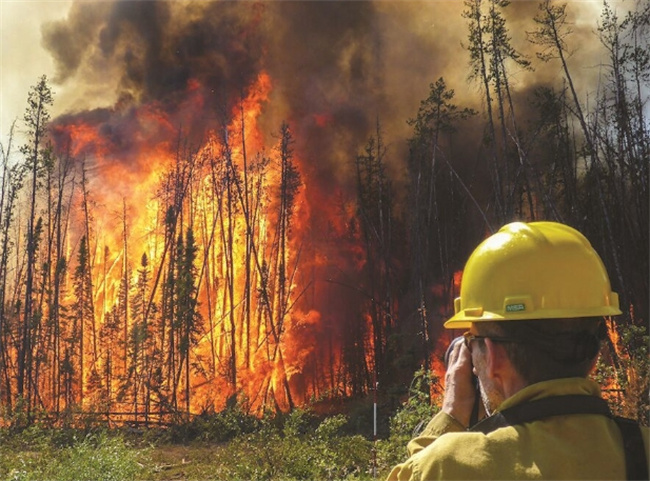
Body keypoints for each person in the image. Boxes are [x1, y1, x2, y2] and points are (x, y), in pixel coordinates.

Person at [388, 221, 649, 480]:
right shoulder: (642, 450)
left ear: (494, 356)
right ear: (593, 356)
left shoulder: (447, 466)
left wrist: (451, 416)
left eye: (471, 341)